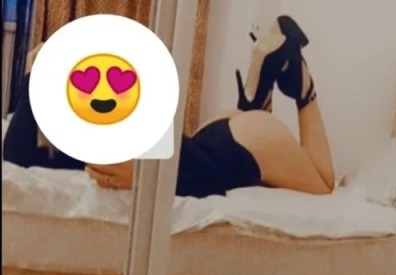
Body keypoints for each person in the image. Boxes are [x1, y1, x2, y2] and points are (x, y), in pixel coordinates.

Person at [3, 16, 334, 196]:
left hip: (241, 141)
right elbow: (15, 161)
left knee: (323, 185)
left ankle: (301, 83)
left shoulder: (101, 141)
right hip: (235, 138)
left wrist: (34, 77)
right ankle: (257, 95)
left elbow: (14, 159)